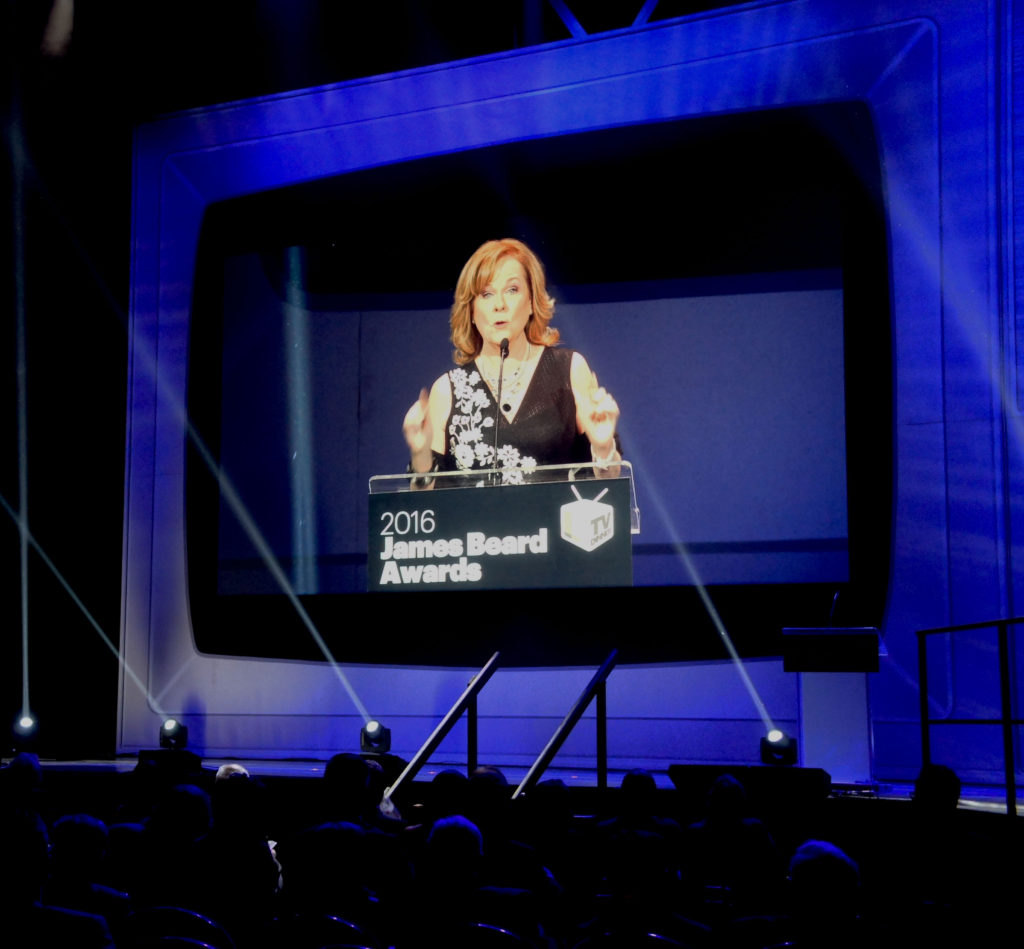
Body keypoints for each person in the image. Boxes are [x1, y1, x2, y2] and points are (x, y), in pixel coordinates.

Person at [403, 238, 620, 484]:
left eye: (512, 290)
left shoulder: (568, 370)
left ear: (531, 302)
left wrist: (603, 447)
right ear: (472, 311)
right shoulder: (446, 390)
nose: (499, 305)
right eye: (486, 294)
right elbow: (424, 509)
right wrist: (420, 454)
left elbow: (608, 480)